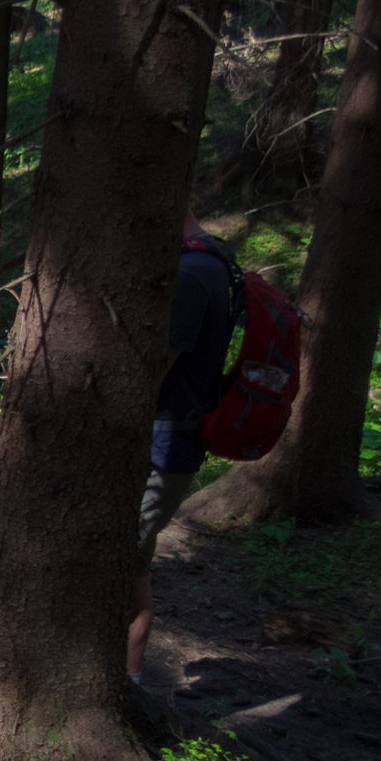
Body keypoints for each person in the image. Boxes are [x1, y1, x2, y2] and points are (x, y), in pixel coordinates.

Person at [127, 211, 239, 683]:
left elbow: (156, 366)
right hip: (161, 435)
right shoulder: (207, 263)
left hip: (164, 439)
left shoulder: (192, 274)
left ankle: (124, 687)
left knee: (125, 563)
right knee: (126, 560)